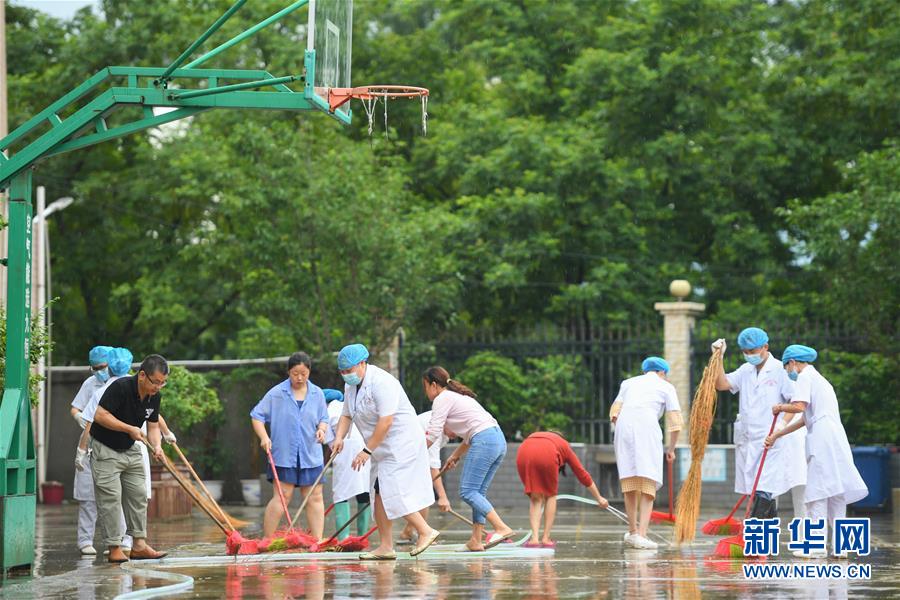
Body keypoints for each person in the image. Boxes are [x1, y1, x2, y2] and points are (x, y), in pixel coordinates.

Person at [332, 343, 440, 560]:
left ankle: (425, 530)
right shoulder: (351, 386)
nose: (346, 375)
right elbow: (346, 414)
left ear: (362, 363)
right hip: (381, 448)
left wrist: (366, 450)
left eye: (349, 370)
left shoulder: (382, 382)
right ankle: (385, 546)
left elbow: (386, 421)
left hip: (401, 444)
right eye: (342, 372)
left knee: (391, 490)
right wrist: (339, 437)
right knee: (378, 494)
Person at [764, 345, 868, 558]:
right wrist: (777, 435)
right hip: (835, 438)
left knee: (817, 494)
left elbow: (799, 407)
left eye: (787, 368)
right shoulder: (821, 380)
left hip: (822, 439)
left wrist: (780, 407)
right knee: (835, 493)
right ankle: (841, 548)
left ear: (793, 363)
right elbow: (804, 419)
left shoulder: (804, 377)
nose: (788, 372)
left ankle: (816, 547)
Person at [77, 348, 177, 556]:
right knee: (110, 498)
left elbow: (153, 426)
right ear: (142, 375)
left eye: (163, 383)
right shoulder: (120, 388)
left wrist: (157, 446)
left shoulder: (154, 397)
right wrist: (129, 428)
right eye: (156, 382)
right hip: (105, 448)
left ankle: (138, 545)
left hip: (131, 449)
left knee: (138, 495)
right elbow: (100, 416)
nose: (158, 387)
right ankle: (114, 547)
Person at [712, 327, 807, 520]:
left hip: (774, 439)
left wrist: (781, 427)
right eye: (745, 352)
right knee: (757, 490)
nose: (749, 355)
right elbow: (721, 384)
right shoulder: (745, 370)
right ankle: (762, 532)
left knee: (765, 489)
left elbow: (796, 403)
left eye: (752, 351)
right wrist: (718, 357)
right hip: (750, 440)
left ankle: (756, 530)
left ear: (765, 347)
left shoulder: (780, 370)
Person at [423, 366, 515, 552]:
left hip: (484, 440)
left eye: (424, 386)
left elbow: (433, 433)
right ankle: (476, 540)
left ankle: (501, 527)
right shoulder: (459, 397)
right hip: (497, 439)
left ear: (433, 385)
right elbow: (470, 435)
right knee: (478, 492)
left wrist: (414, 454)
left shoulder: (442, 398)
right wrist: (455, 455)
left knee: (468, 491)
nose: (425, 391)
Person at [251, 352, 331, 539]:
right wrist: (264, 437)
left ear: (309, 372)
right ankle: (267, 540)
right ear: (288, 372)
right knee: (282, 496)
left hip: (310, 453)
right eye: (295, 373)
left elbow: (324, 418)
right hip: (284, 453)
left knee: (314, 496)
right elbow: (256, 415)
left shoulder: (317, 393)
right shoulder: (277, 393)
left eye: (304, 373)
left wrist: (322, 429)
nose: (300, 378)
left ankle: (317, 541)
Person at [610, 356, 682, 550]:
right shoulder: (666, 387)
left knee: (630, 480)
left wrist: (627, 431)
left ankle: (633, 532)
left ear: (645, 371)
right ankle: (641, 535)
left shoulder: (628, 383)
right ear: (662, 372)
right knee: (648, 480)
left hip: (623, 430)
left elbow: (614, 413)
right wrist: (671, 449)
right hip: (647, 429)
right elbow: (676, 423)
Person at [516, 431, 609, 548]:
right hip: (547, 453)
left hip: (524, 451)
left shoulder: (542, 436)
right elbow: (582, 474)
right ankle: (545, 538)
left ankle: (534, 539)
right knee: (550, 495)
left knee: (536, 498)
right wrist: (599, 498)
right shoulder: (564, 445)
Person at [69, 345, 113, 555]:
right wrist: (79, 417)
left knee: (114, 497)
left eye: (102, 367)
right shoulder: (90, 383)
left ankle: (117, 542)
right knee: (88, 496)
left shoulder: (123, 381)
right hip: (90, 442)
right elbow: (75, 408)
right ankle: (85, 540)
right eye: (95, 368)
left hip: (114, 444)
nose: (99, 371)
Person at [324, 388, 371, 541]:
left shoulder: (327, 412)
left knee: (341, 492)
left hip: (344, 451)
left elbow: (330, 441)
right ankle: (362, 537)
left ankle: (343, 538)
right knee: (364, 490)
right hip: (365, 449)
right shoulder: (348, 406)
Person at [399, 409, 450, 545]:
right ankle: (422, 532)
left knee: (423, 493)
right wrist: (443, 497)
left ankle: (410, 531)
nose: (457, 434)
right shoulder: (434, 428)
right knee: (423, 494)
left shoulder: (446, 428)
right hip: (403, 454)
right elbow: (433, 466)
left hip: (414, 456)